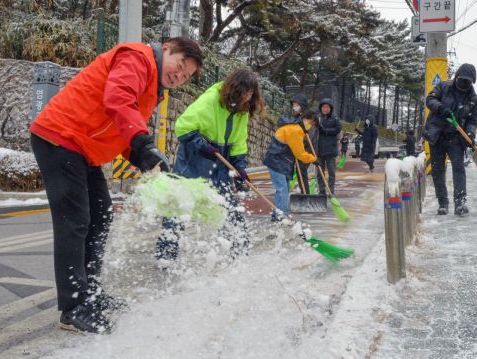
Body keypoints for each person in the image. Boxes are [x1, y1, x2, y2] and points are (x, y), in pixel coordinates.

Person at [29, 37, 204, 333]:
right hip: (59, 137)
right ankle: (73, 307)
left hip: (82, 148)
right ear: (167, 48)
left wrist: (144, 158)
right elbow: (118, 99)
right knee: (75, 222)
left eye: (186, 76)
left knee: (101, 215)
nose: (179, 76)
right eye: (180, 65)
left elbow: (123, 129)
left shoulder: (153, 88)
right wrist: (144, 143)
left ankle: (90, 295)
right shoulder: (138, 58)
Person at [157, 69, 265, 261]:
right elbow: (183, 126)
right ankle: (166, 254)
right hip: (194, 160)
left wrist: (240, 167)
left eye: (251, 93)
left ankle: (240, 251)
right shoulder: (210, 101)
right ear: (235, 89)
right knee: (179, 206)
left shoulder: (242, 112)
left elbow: (239, 142)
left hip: (220, 163)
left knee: (229, 206)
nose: (248, 97)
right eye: (245, 92)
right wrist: (203, 146)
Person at [422, 63, 477, 216]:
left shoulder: (473, 99)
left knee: (459, 169)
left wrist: (471, 135)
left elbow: (472, 121)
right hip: (437, 136)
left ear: (472, 82)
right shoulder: (443, 86)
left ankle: (460, 203)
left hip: (456, 139)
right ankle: (443, 203)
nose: (464, 83)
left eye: (468, 81)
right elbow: (430, 100)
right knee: (438, 170)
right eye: (461, 79)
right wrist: (441, 108)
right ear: (456, 77)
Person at [264, 95, 317, 221]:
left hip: (283, 160)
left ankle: (280, 214)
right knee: (282, 189)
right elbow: (299, 152)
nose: (295, 107)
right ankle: (281, 216)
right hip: (278, 159)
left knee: (285, 188)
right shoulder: (294, 126)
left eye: (297, 104)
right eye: (293, 104)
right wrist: (313, 159)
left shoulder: (299, 126)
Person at [317, 98, 341, 195]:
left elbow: (338, 129)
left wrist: (326, 131)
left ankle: (331, 190)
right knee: (320, 172)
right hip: (320, 149)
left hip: (330, 150)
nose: (325, 109)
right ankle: (322, 190)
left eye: (327, 107)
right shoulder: (318, 118)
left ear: (330, 108)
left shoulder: (335, 119)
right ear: (321, 108)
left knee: (331, 172)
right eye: (323, 107)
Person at [297, 109, 319, 194]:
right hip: (303, 151)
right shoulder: (302, 123)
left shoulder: (312, 126)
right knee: (301, 172)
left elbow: (307, 140)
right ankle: (304, 192)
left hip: (308, 151)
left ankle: (305, 192)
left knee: (302, 171)